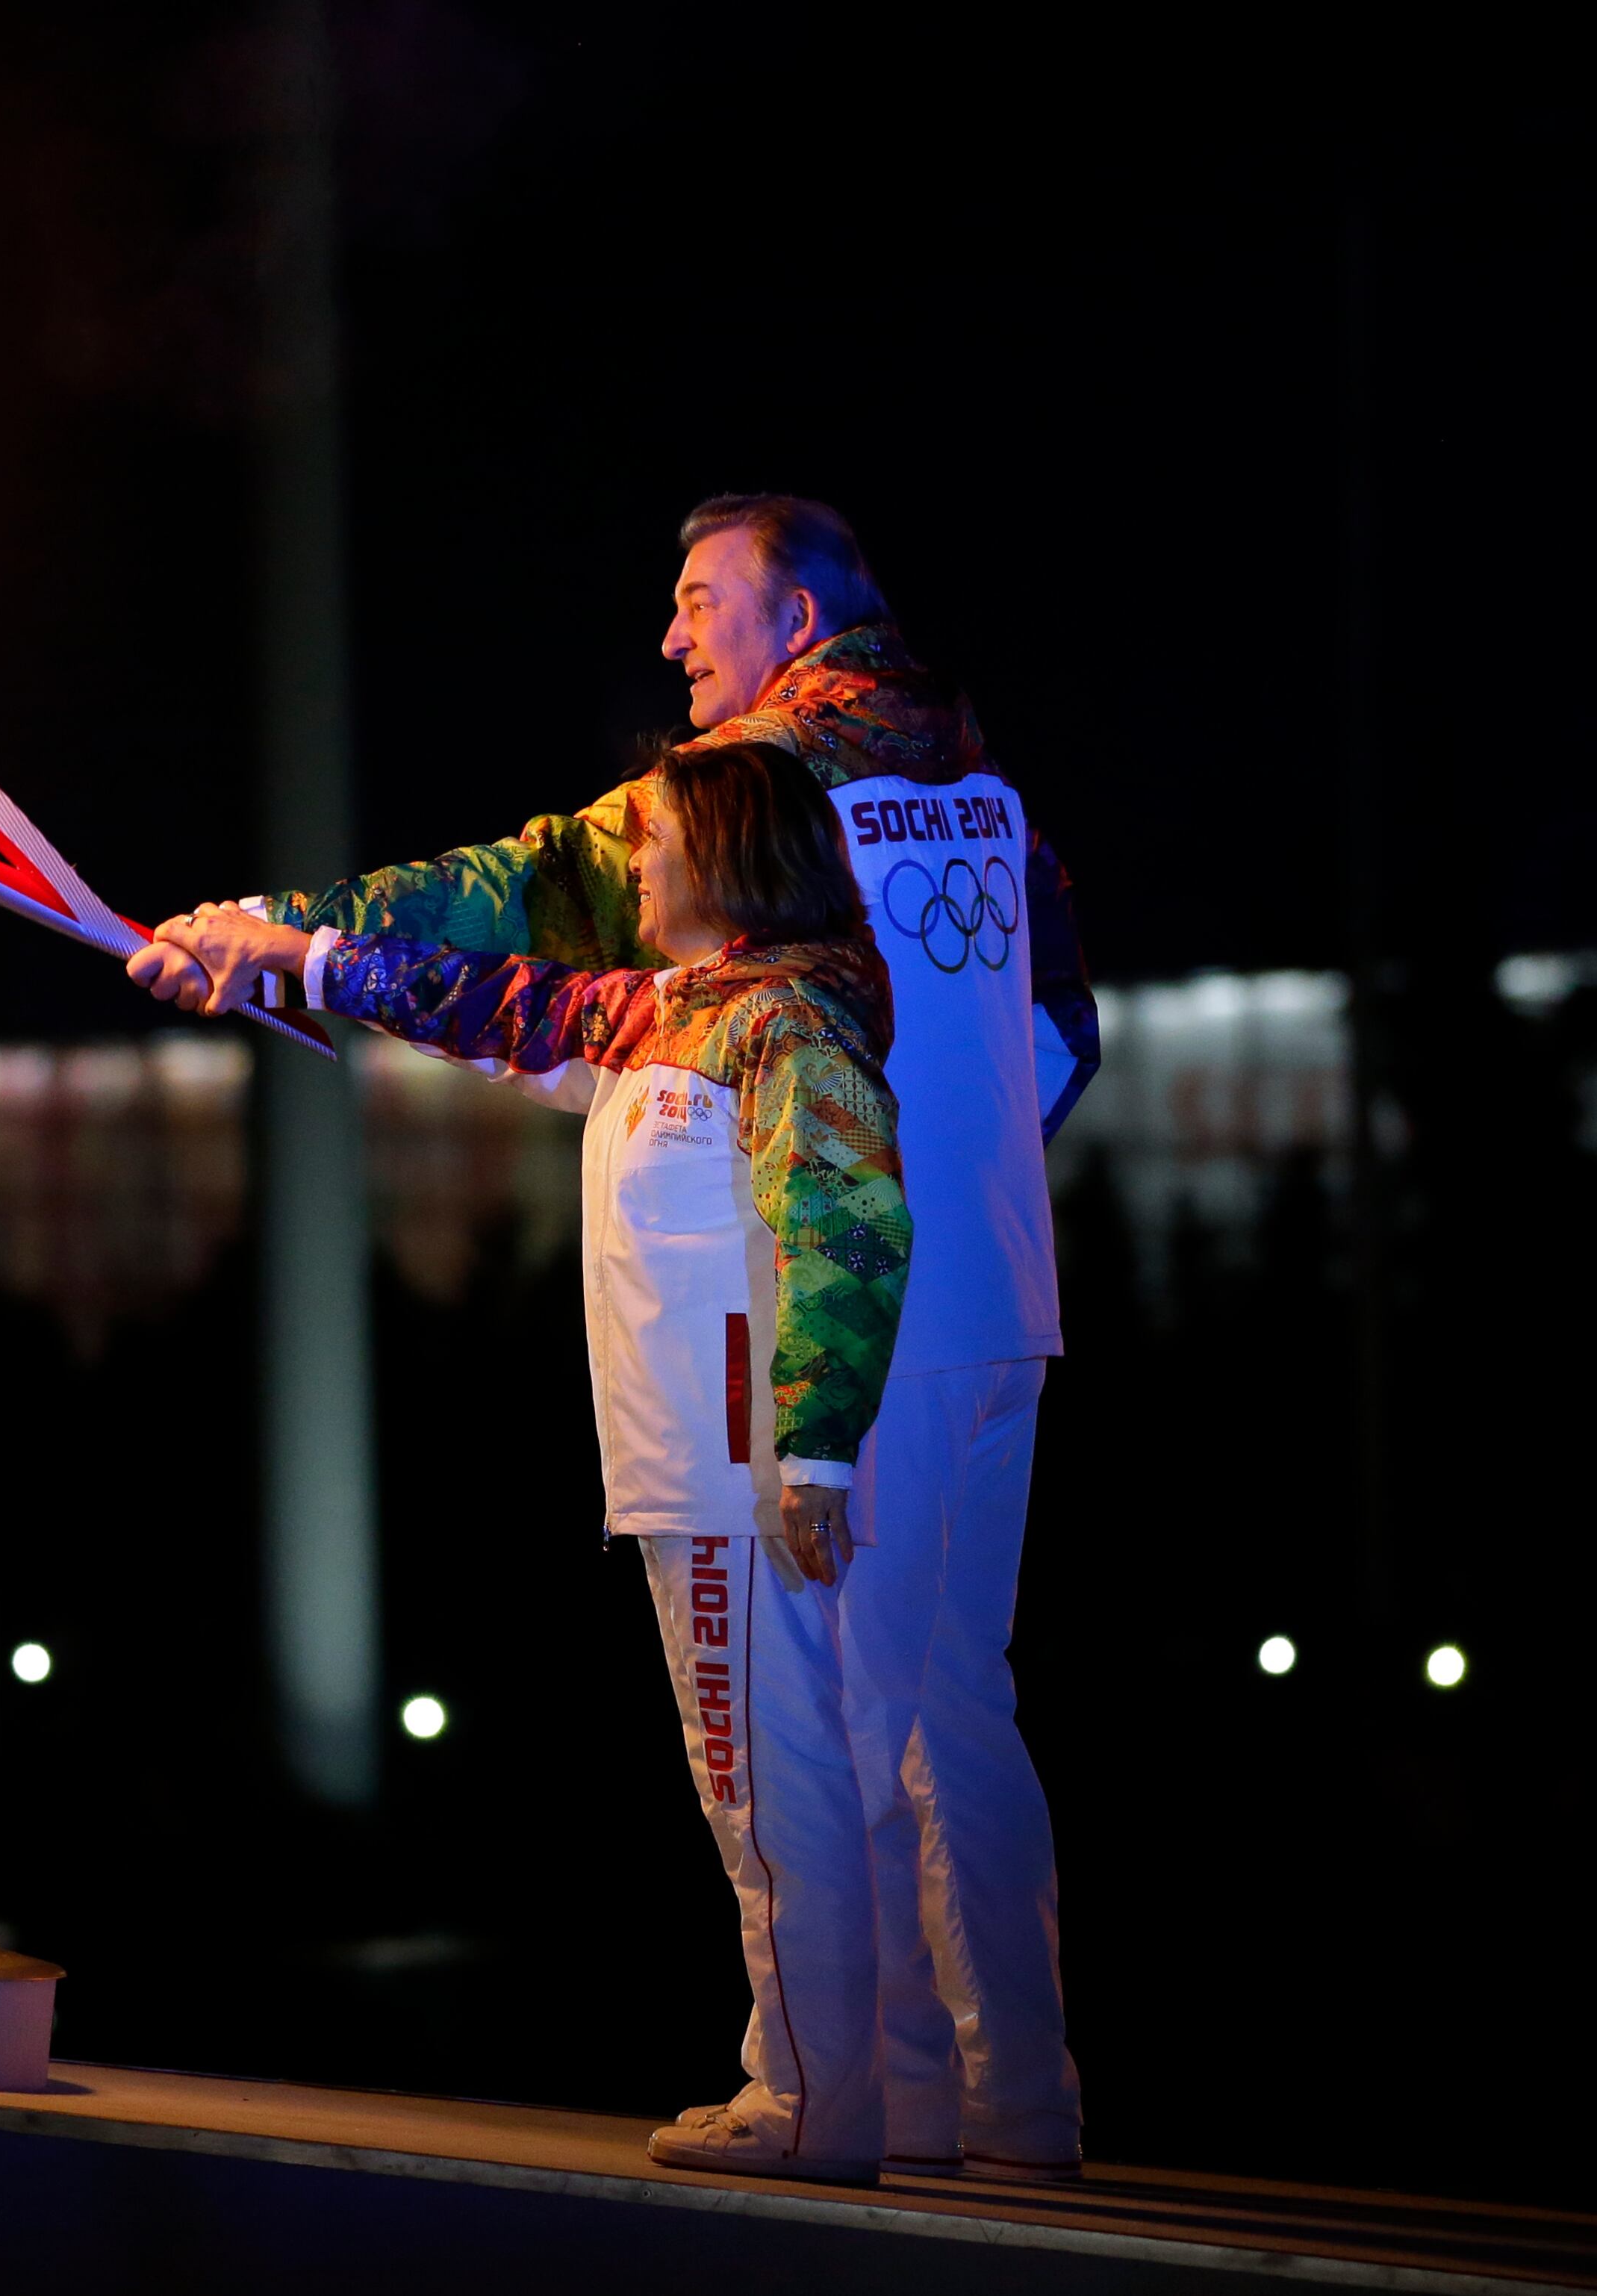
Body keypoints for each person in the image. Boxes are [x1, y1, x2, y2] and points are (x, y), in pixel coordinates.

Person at [138, 494, 1092, 2181]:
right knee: (955, 1707)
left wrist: (285, 931)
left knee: (819, 1721)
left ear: (797, 620)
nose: (673, 636)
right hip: (992, 1300)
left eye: (700, 599)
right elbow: (1065, 1034)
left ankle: (842, 2092)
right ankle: (1006, 2096)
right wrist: (965, 1175)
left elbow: (516, 902)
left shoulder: (755, 793)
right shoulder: (986, 793)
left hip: (824, 1322)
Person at [135, 741, 909, 2183]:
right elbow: (483, 998)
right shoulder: (667, 1013)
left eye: (660, 838)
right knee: (765, 1773)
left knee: (766, 1776)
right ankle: (841, 2088)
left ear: (731, 854)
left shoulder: (784, 1021)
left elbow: (850, 1223)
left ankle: (814, 2101)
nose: (635, 862)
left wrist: (813, 1451)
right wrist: (278, 948)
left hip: (743, 1480)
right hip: (702, 1475)